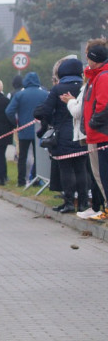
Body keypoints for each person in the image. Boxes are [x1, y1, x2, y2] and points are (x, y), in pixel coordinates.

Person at [34, 57, 87, 213]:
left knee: (66, 169)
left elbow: (45, 110)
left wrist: (52, 122)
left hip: (63, 134)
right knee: (81, 169)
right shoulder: (86, 87)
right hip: (82, 133)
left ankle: (69, 202)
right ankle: (83, 203)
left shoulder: (58, 89)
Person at [80, 42, 108, 219]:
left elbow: (104, 105)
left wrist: (92, 123)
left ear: (95, 60)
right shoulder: (95, 76)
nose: (87, 61)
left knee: (102, 175)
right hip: (96, 134)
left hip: (100, 134)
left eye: (89, 58)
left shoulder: (103, 77)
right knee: (99, 175)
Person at [5, 71, 45, 186]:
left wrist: (16, 122)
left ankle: (21, 180)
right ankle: (36, 179)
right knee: (38, 157)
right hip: (39, 130)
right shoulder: (44, 94)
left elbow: (9, 111)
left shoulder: (20, 95)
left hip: (24, 130)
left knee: (22, 156)